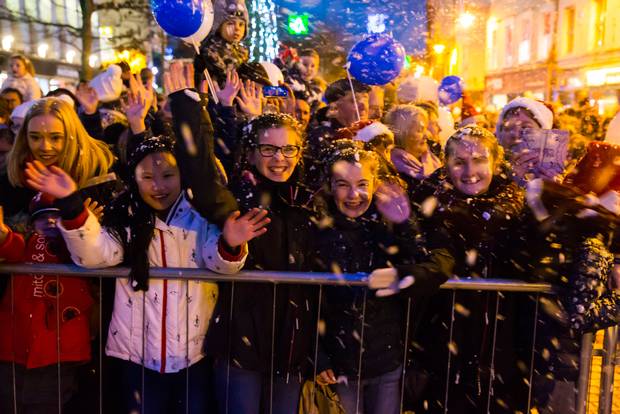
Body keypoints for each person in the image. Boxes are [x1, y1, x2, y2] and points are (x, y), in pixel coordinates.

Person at [24, 129, 268, 413]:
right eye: (147, 178)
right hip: (137, 354)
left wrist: (230, 243)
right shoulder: (125, 217)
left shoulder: (199, 216)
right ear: (134, 180)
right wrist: (71, 204)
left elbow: (218, 262)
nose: (158, 186)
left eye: (167, 176)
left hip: (195, 352)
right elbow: (94, 255)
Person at [312, 143, 453, 414]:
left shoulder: (387, 224)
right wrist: (319, 356)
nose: (354, 195)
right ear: (331, 185)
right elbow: (307, 298)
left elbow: (424, 260)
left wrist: (404, 222)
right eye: (343, 184)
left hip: (386, 356)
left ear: (376, 183)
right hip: (340, 361)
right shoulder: (319, 228)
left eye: (362, 184)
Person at [411, 125, 528, 413]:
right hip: (443, 340)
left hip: (502, 344)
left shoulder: (518, 206)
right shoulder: (427, 204)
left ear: (495, 164)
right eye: (459, 162)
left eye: (479, 161)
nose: (469, 171)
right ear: (446, 164)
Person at [207, 113, 317, 414]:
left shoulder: (309, 201)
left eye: (288, 149)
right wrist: (230, 241)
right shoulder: (235, 198)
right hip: (241, 339)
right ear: (253, 151)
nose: (279, 158)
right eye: (269, 149)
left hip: (292, 342)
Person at [519, 141, 620, 413]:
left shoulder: (580, 216)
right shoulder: (593, 229)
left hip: (543, 346)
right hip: (552, 350)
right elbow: (579, 314)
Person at [0, 194, 94, 414]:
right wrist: (4, 237)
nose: (51, 221)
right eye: (44, 217)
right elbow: (11, 248)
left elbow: (88, 250)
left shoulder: (79, 248)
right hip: (14, 349)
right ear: (32, 224)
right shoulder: (25, 244)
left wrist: (82, 227)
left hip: (57, 353)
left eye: (57, 216)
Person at [2, 98, 115, 233]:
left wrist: (86, 225)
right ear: (25, 137)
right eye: (35, 137)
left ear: (72, 134)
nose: (45, 147)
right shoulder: (13, 176)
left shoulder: (98, 175)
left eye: (55, 138)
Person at [495, 97, 561, 185]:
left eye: (526, 127)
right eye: (508, 128)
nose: (515, 134)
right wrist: (511, 182)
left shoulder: (557, 175)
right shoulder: (487, 175)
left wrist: (550, 190)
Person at [385, 104, 442, 194]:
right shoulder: (392, 171)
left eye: (425, 129)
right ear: (403, 134)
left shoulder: (435, 158)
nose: (426, 135)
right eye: (419, 130)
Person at [194, 0, 249, 86]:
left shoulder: (242, 51)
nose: (237, 28)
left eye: (241, 24)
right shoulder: (210, 50)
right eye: (231, 23)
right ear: (219, 26)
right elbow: (228, 76)